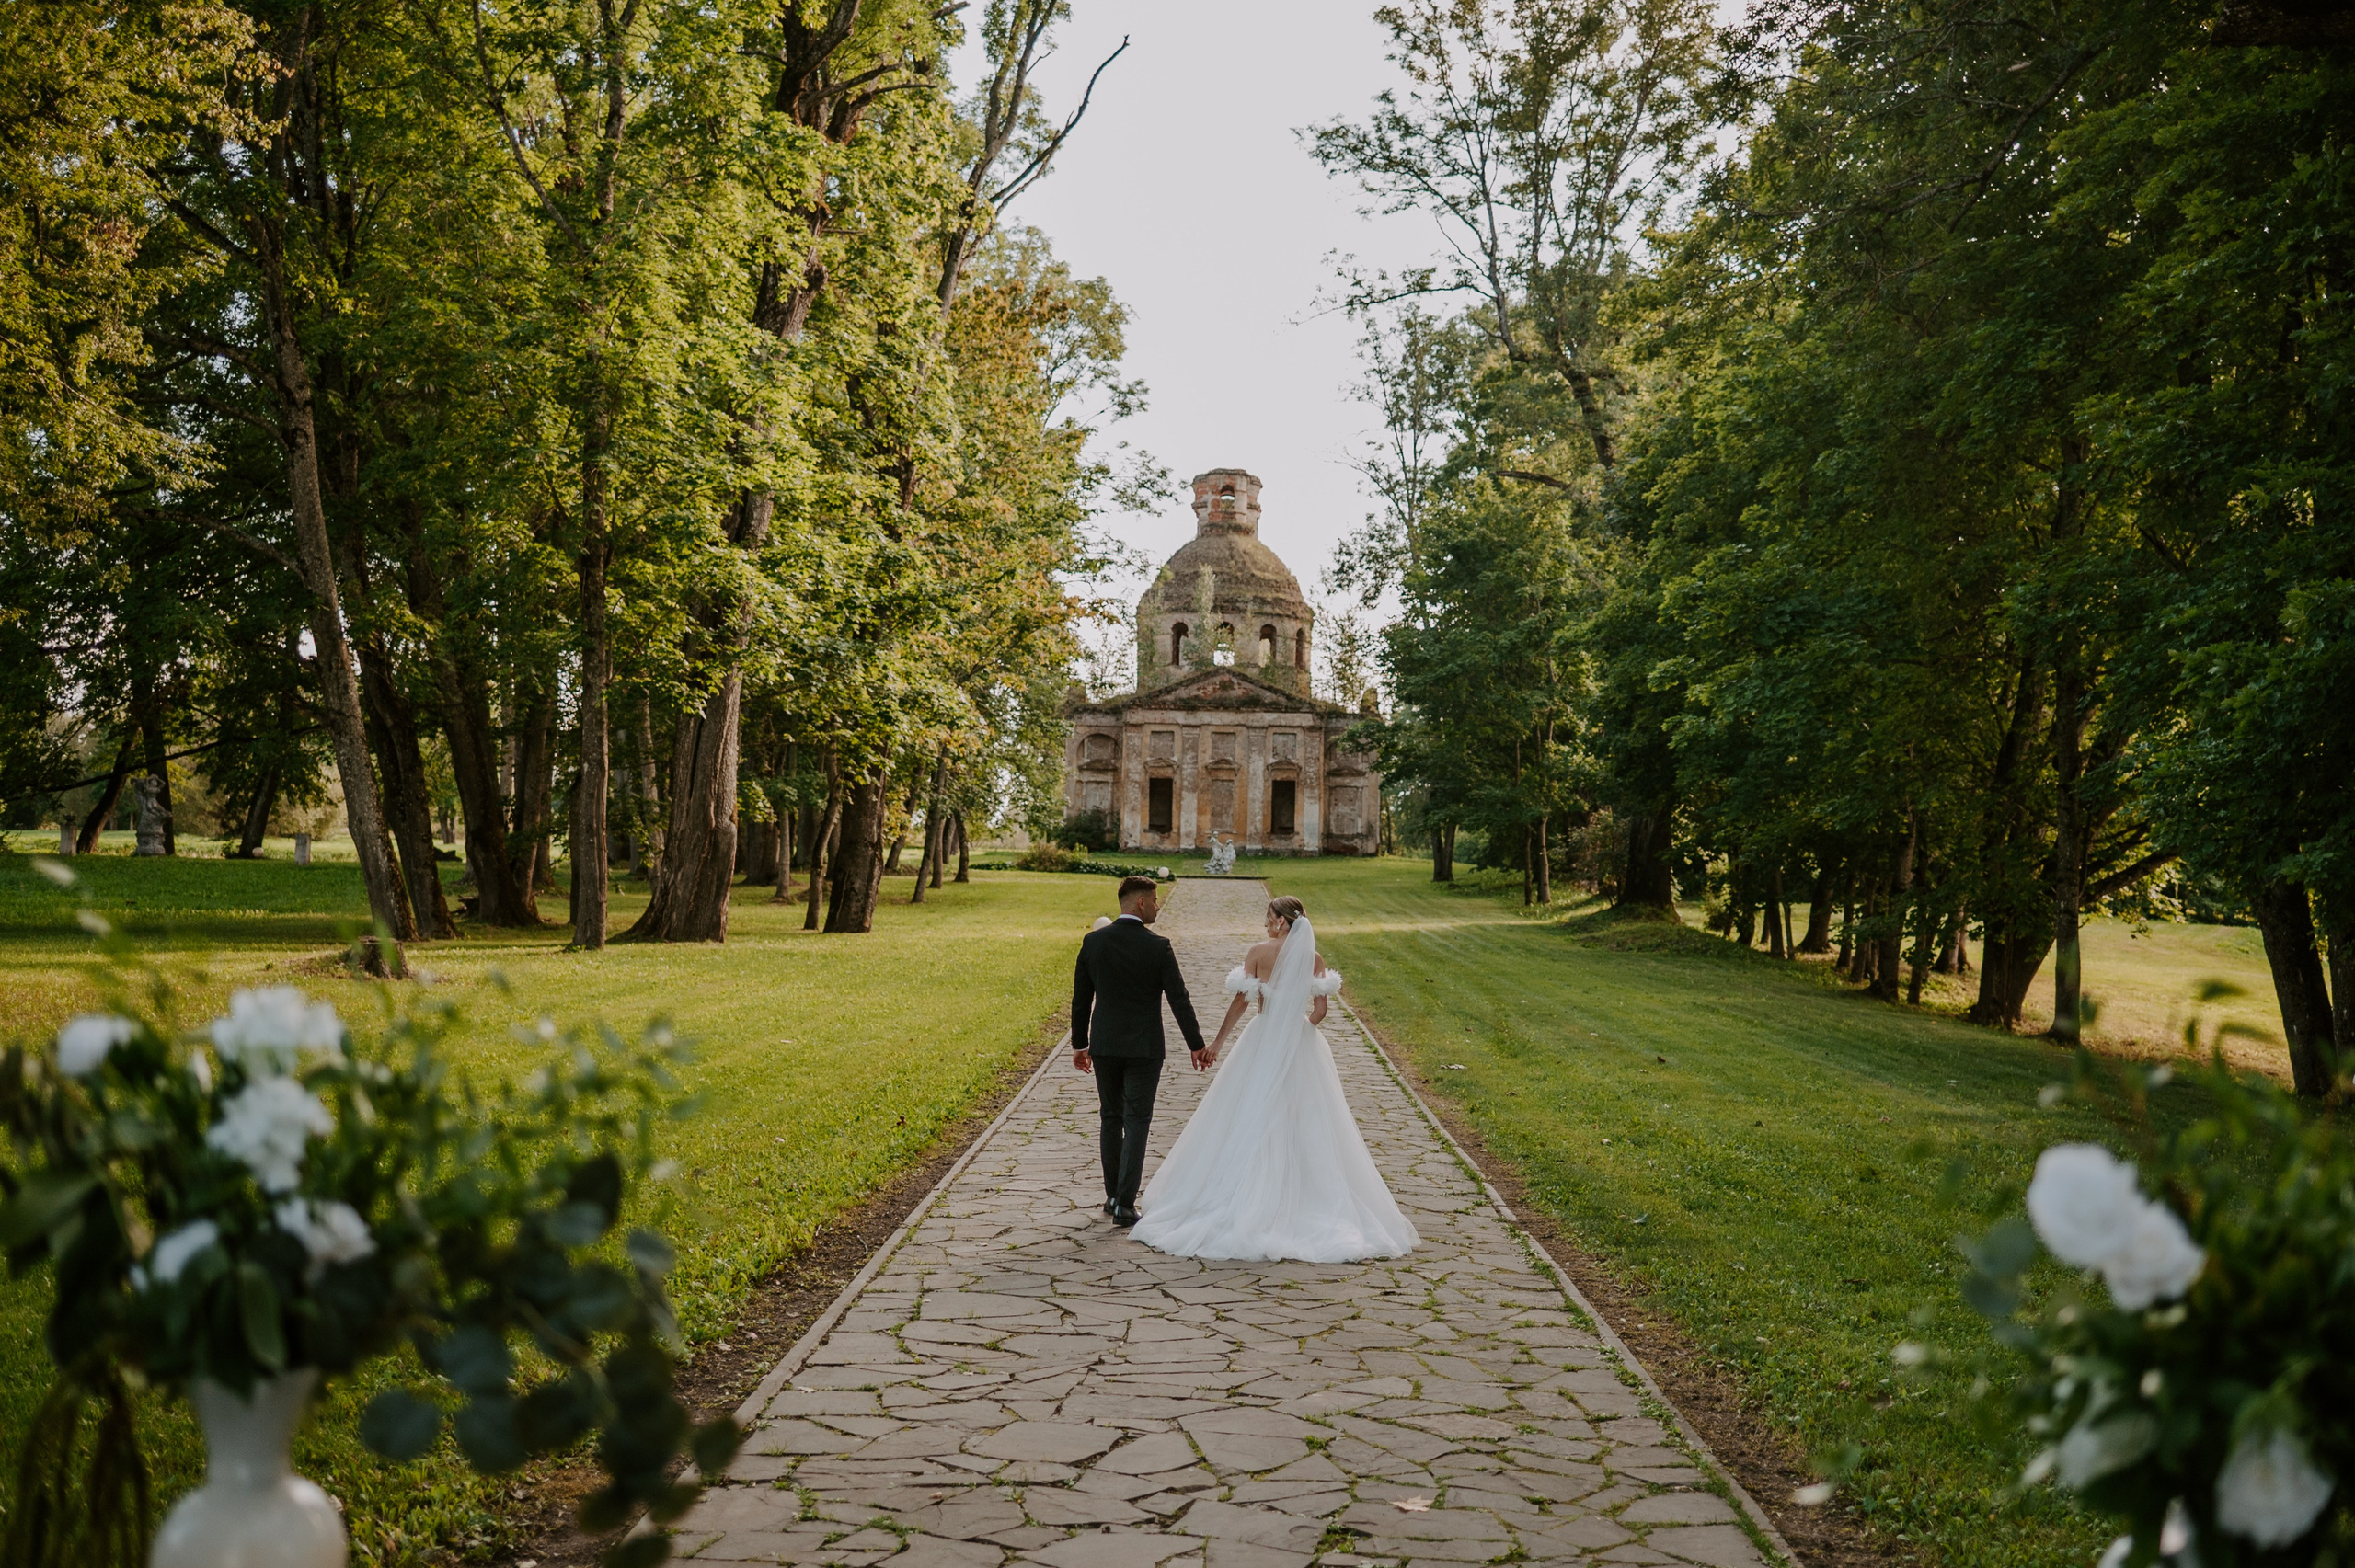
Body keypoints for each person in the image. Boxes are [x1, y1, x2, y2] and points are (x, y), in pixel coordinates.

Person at [1132, 896, 1419, 1263]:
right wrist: (1299, 1031)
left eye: (1268, 918)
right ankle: (1305, 1196)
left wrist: (1217, 1043)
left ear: (1282, 922)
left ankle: (1244, 1195)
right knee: (1308, 1115)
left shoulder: (1258, 953)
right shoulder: (1312, 958)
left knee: (1250, 1110)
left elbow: (1241, 1002)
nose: (1265, 924)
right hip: (1299, 1043)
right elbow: (1320, 1009)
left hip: (1262, 1039)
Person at [1071, 876, 1208, 1227]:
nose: (1159, 906)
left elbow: (1081, 999)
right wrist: (1196, 1044)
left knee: (1110, 1117)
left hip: (1104, 1045)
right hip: (1145, 1047)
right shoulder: (1157, 947)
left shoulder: (1093, 942)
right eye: (1156, 900)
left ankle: (1114, 1195)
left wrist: (1079, 1044)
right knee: (1137, 1121)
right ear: (1141, 903)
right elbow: (1179, 998)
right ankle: (1126, 1205)